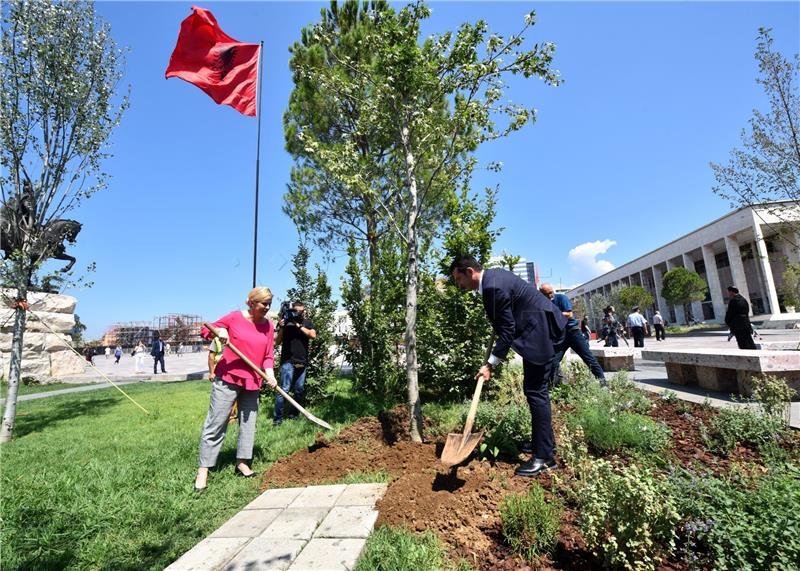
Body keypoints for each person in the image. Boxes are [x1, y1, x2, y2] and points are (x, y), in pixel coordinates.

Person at [450, 255, 566, 478]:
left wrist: (490, 365)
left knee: (536, 392)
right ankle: (542, 444)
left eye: (458, 280)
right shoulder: (493, 278)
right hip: (537, 329)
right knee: (534, 390)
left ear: (469, 272)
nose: (459, 285)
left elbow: (507, 330)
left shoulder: (492, 287)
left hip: (539, 332)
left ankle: (544, 458)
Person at [194, 287, 277, 491]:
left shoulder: (268, 326)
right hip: (228, 377)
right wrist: (221, 331)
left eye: (269, 304)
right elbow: (206, 330)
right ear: (251, 303)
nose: (266, 308)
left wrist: (271, 374)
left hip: (253, 380)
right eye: (263, 304)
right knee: (217, 421)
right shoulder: (234, 318)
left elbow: (267, 354)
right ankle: (203, 469)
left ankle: (242, 462)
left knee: (248, 423)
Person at [539, 283, 606, 387]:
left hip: (573, 332)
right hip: (559, 336)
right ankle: (556, 386)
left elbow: (569, 315)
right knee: (553, 361)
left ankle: (603, 383)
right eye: (546, 294)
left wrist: (552, 312)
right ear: (541, 294)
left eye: (551, 292)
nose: (550, 296)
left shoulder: (561, 298)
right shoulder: (543, 303)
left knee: (588, 357)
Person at [274, 301, 317, 426]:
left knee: (299, 390)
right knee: (284, 390)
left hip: (302, 361)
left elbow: (313, 335)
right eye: (297, 311)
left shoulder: (307, 322)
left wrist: (299, 326)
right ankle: (277, 420)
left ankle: (293, 415)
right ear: (293, 311)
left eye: (302, 311)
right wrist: (282, 327)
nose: (300, 313)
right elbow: (277, 342)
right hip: (288, 361)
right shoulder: (285, 323)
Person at [208, 335, 237, 424]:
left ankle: (232, 416)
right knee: (221, 397)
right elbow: (211, 356)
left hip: (234, 370)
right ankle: (220, 418)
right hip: (220, 371)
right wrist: (212, 372)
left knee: (235, 395)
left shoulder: (237, 336)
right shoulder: (217, 339)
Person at [725, 285, 756, 349]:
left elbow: (730, 313)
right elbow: (747, 311)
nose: (728, 294)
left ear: (731, 292)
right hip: (746, 324)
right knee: (749, 341)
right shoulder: (743, 300)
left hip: (738, 325)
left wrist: (728, 322)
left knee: (742, 342)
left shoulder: (733, 301)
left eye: (728, 292)